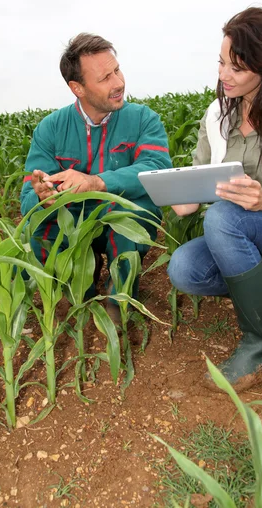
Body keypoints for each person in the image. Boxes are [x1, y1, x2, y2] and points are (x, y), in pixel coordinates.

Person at [167, 7, 262, 392]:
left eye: (237, 68)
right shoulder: (216, 116)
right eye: (221, 63)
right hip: (243, 237)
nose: (223, 75)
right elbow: (197, 185)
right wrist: (180, 197)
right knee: (184, 268)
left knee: (225, 217)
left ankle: (261, 344)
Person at [21, 33, 172, 322]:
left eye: (117, 70)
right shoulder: (50, 129)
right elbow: (28, 195)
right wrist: (41, 197)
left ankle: (119, 301)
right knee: (41, 232)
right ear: (77, 88)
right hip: (74, 219)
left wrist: (97, 182)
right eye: (105, 78)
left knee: (128, 227)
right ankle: (77, 296)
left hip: (119, 214)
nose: (118, 83)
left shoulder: (142, 119)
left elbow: (156, 167)